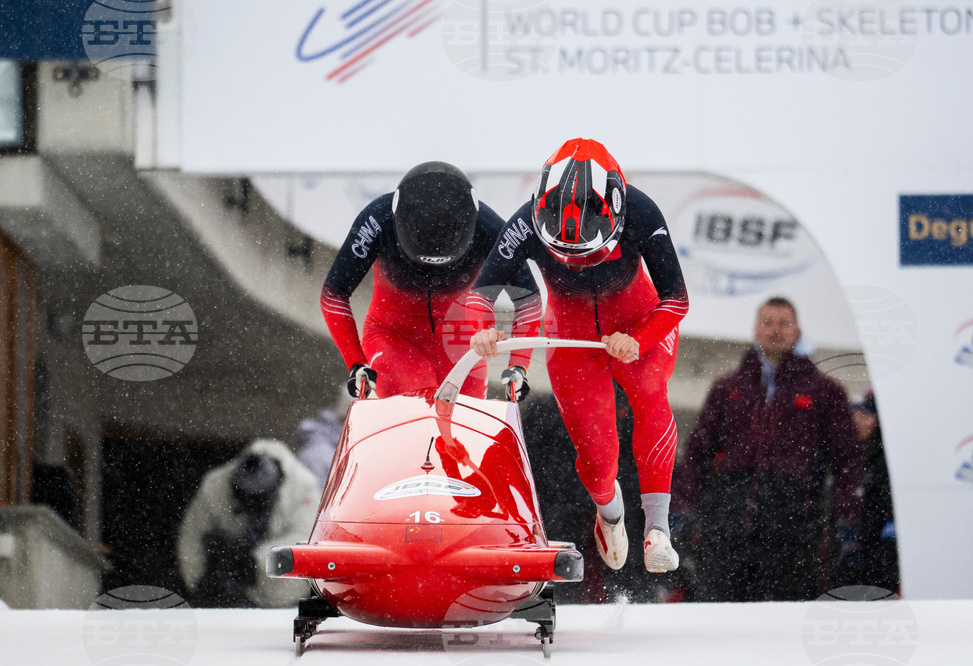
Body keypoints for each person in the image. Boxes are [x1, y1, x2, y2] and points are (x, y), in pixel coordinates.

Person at [469, 138, 689, 574]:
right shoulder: (526, 222)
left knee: (648, 390)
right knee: (597, 455)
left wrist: (640, 339)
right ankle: (610, 514)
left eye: (586, 253)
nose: (577, 263)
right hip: (571, 335)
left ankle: (658, 530)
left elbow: (676, 300)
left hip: (638, 319)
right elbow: (482, 293)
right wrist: (483, 329)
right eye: (565, 256)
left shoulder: (642, 212)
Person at [672, 297, 864, 601]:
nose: (775, 330)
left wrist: (845, 519)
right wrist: (681, 507)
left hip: (793, 531)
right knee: (720, 617)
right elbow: (698, 451)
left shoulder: (825, 392)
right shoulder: (728, 387)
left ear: (797, 331)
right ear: (755, 330)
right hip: (727, 529)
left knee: (780, 623)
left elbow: (849, 462)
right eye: (768, 322)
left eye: (783, 323)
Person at [320, 161, 540, 400]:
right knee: (419, 402)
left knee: (462, 427)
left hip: (460, 341)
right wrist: (356, 362)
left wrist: (519, 365)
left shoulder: (489, 228)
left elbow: (529, 301)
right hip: (393, 336)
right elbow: (334, 294)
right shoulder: (376, 221)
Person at [177, 439, 320, 607]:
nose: (252, 505)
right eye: (246, 498)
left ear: (277, 486)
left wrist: (257, 562)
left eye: (259, 500)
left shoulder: (304, 487)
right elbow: (192, 536)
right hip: (226, 580)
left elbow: (307, 539)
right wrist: (199, 584)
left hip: (282, 596)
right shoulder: (215, 485)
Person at [849, 390, 900, 593]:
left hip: (880, 543)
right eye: (854, 415)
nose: (858, 422)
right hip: (858, 542)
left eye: (865, 416)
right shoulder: (850, 452)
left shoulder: (886, 458)